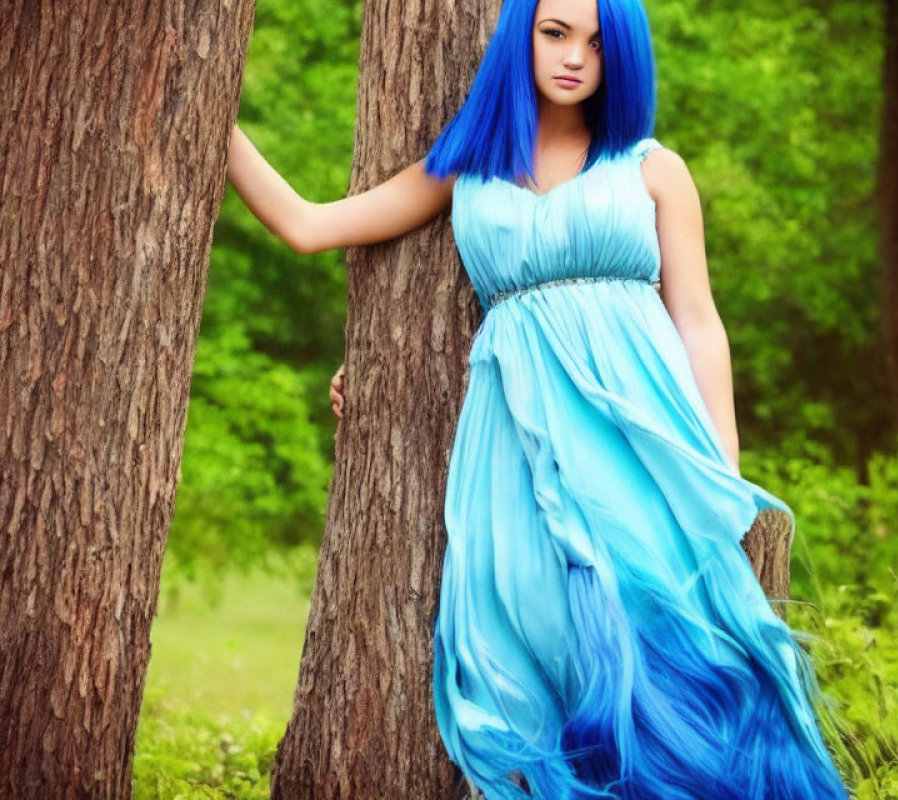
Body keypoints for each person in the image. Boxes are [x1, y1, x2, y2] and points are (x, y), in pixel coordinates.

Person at [228, 0, 853, 797]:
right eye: (555, 33)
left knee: (679, 648)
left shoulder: (653, 168)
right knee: (539, 640)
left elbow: (698, 321)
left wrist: (717, 470)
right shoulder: (468, 166)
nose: (574, 57)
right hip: (518, 443)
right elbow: (309, 225)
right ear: (521, 36)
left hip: (639, 435)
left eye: (596, 43)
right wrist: (212, 113)